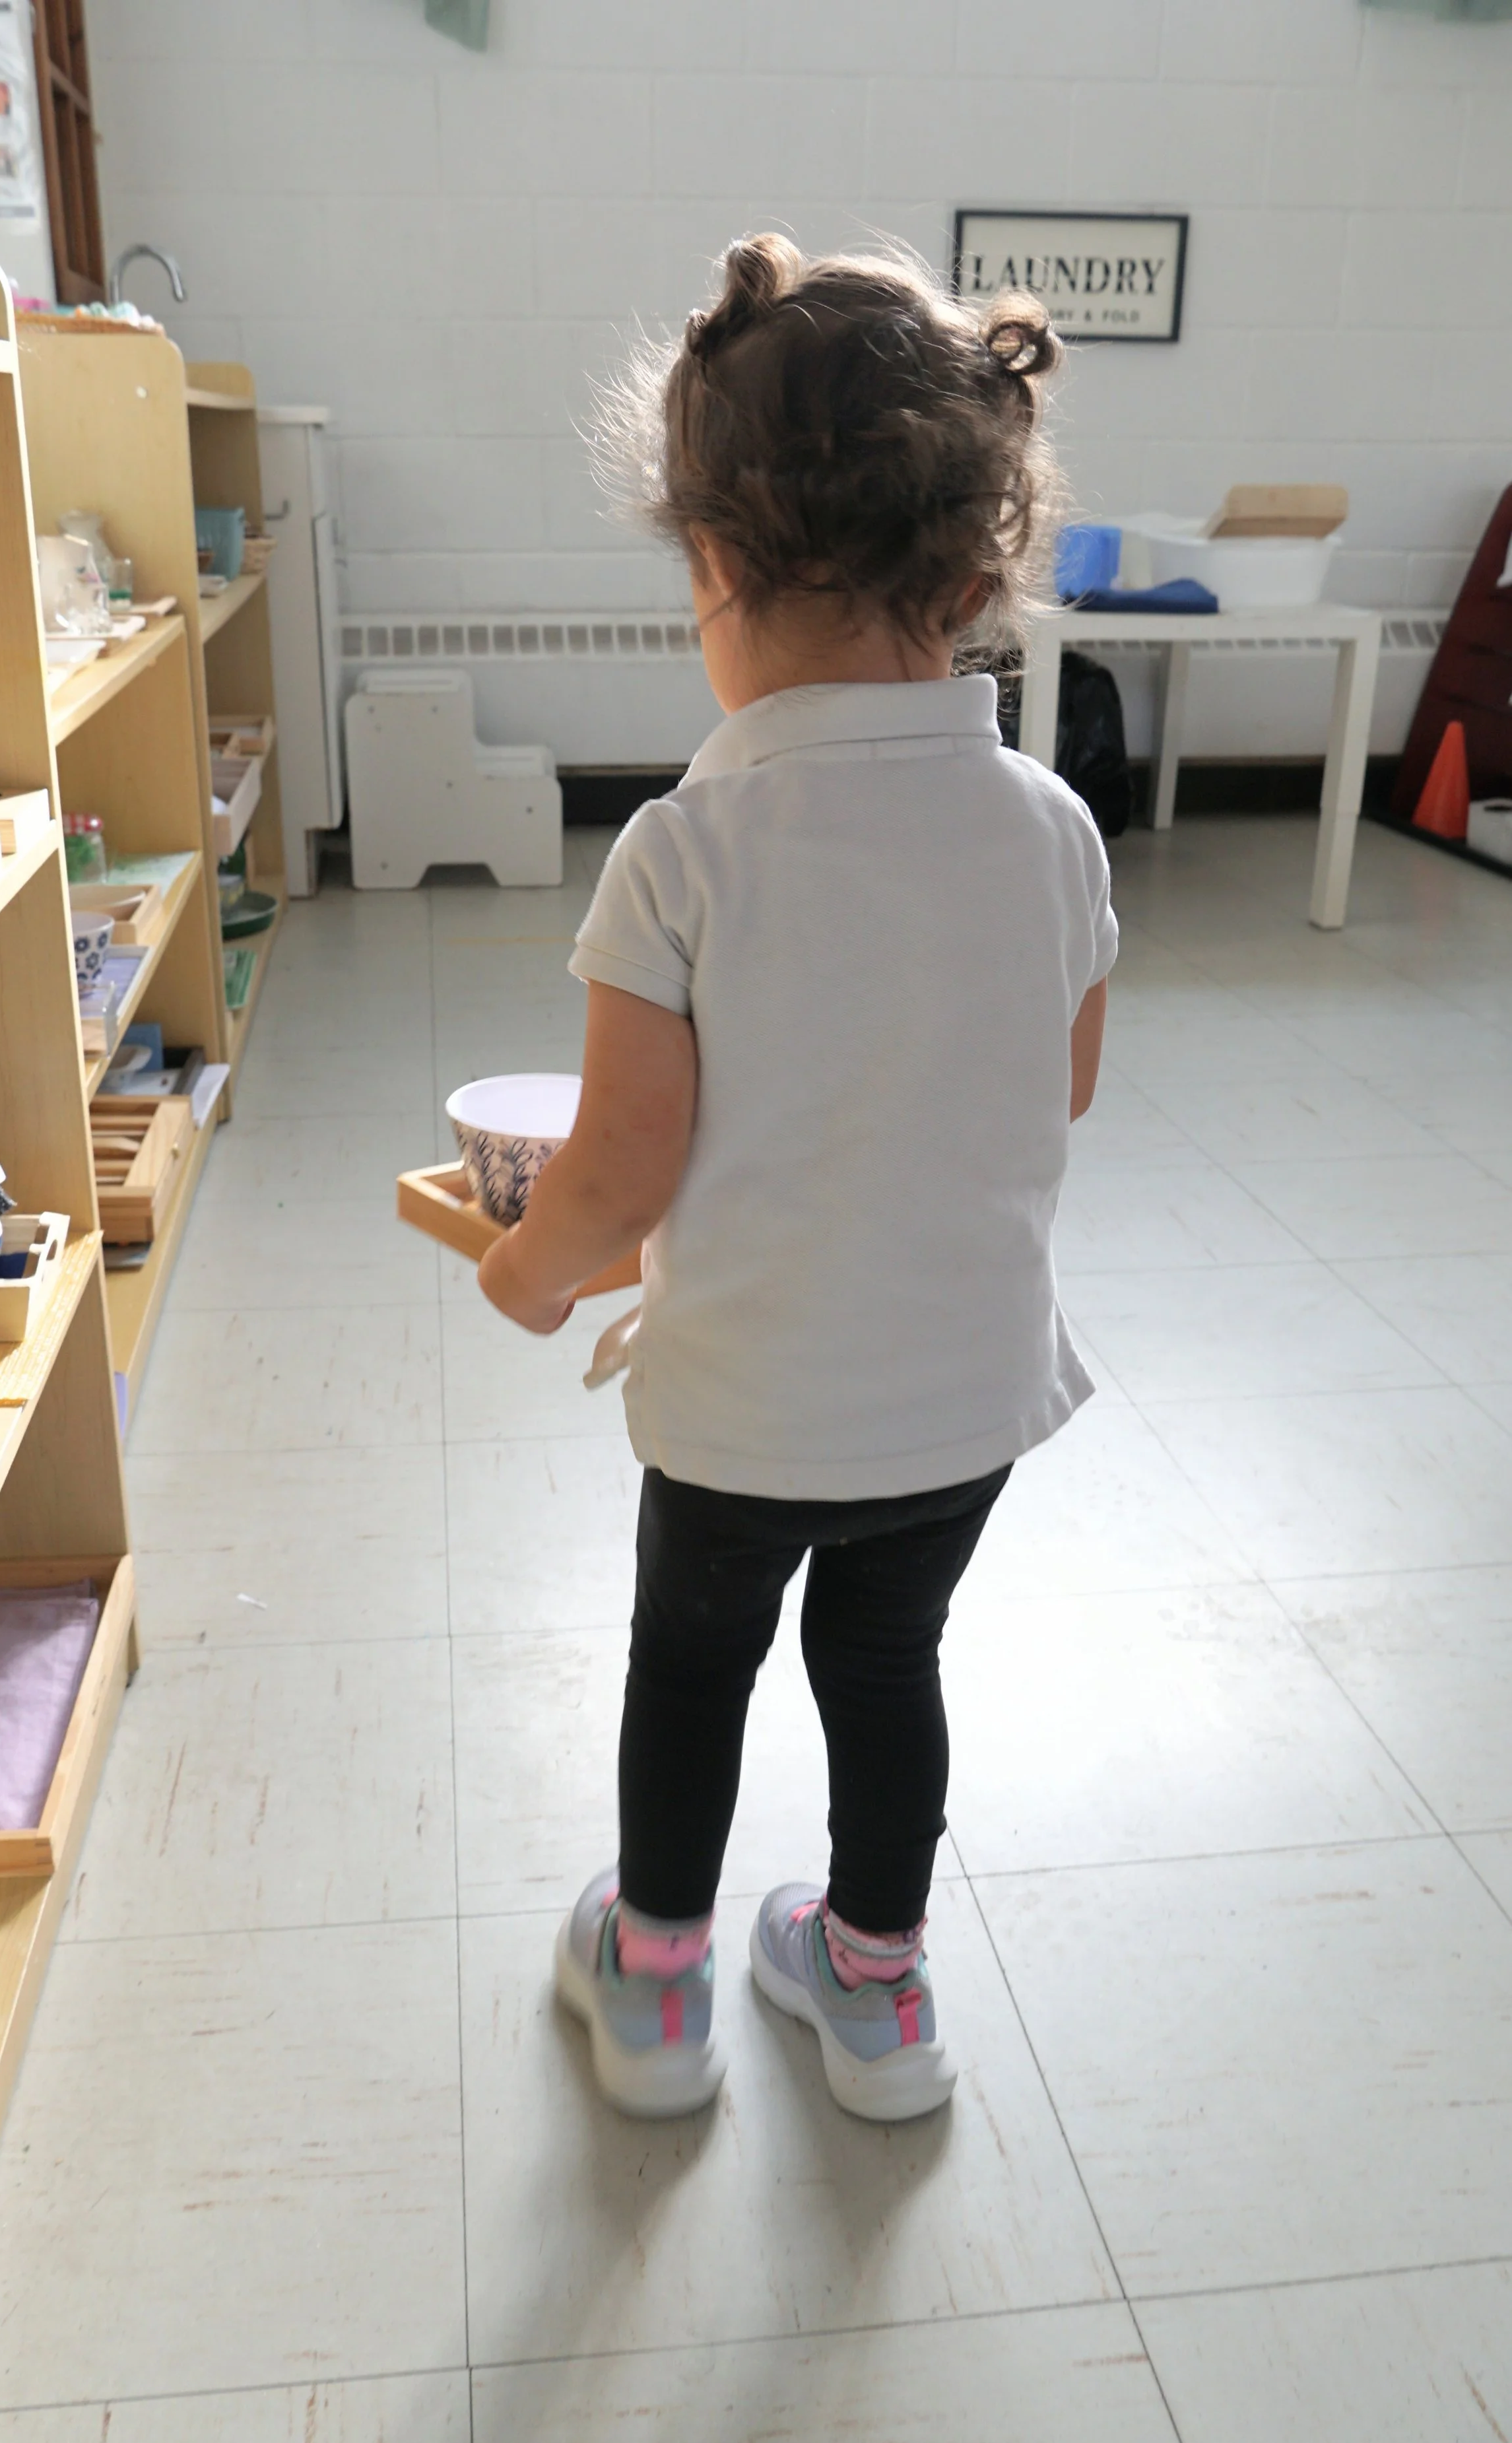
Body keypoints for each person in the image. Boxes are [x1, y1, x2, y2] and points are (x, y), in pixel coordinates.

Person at [478, 236, 1115, 2125]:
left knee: (691, 1664)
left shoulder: (684, 850)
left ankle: (658, 1981)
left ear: (710, 567)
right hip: (961, 1398)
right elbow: (1058, 1086)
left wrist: (524, 1275)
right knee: (884, 1658)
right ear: (977, 570)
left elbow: (615, 1168)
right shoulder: (1053, 825)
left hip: (745, 1406)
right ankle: (873, 1983)